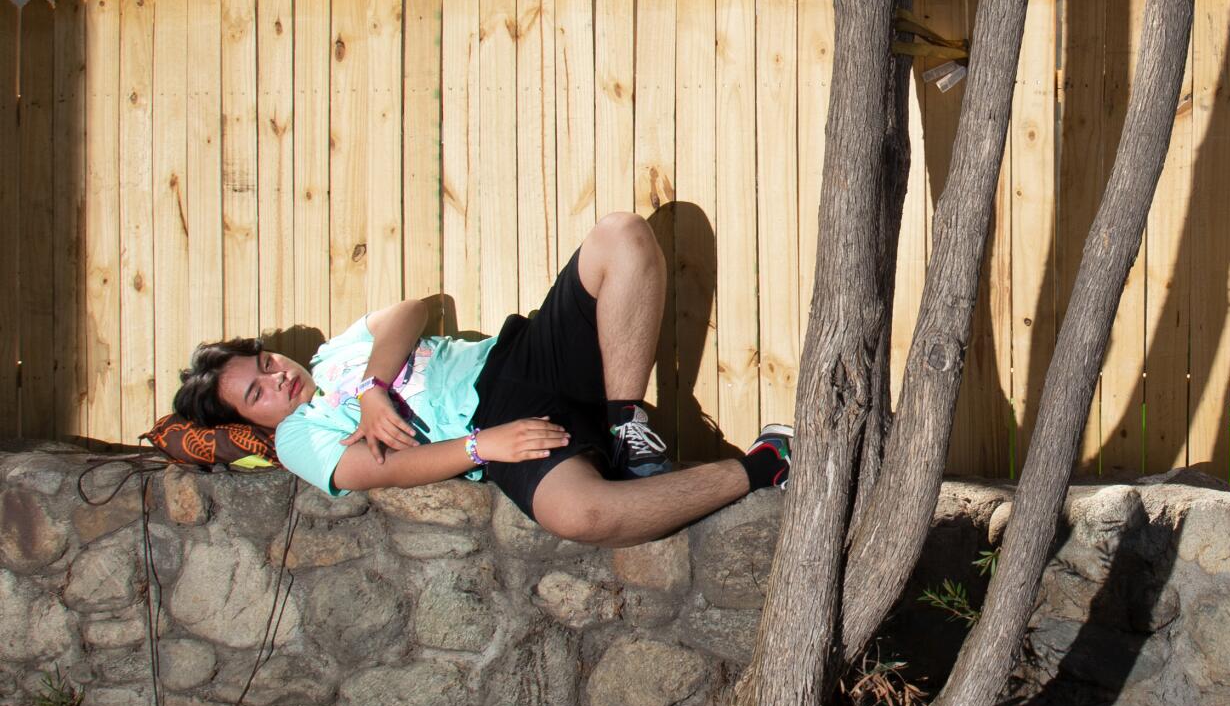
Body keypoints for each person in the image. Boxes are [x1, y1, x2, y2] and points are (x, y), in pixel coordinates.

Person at [173, 210, 788, 542]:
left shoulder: (336, 355)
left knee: (621, 236)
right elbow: (362, 469)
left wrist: (371, 388)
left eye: (266, 363)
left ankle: (625, 420)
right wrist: (479, 447)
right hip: (492, 425)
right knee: (581, 515)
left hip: (514, 359)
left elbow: (409, 313)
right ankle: (768, 463)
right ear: (247, 421)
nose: (278, 377)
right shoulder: (296, 436)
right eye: (258, 391)